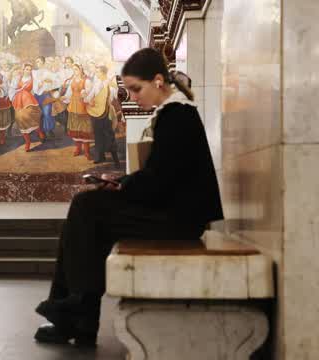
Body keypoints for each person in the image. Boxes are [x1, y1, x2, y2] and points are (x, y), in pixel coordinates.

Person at [33, 48, 224, 347]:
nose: (133, 97)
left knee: (86, 209)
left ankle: (75, 314)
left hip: (180, 220)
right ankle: (77, 315)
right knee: (89, 213)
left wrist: (123, 186)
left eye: (136, 89)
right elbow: (162, 176)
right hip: (177, 214)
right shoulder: (174, 113)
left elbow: (162, 180)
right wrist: (122, 183)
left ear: (158, 81)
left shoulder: (177, 115)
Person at [84, 65, 121, 167]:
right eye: (96, 72)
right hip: (96, 112)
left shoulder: (111, 85)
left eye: (98, 72)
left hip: (108, 113)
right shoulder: (96, 84)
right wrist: (87, 99)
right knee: (98, 135)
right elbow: (89, 97)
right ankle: (100, 157)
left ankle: (116, 160)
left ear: (104, 73)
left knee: (109, 135)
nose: (96, 74)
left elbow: (117, 96)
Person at [9, 63, 46, 152]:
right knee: (20, 119)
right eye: (27, 69)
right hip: (19, 100)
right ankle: (27, 142)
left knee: (30, 118)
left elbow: (37, 90)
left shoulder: (34, 79)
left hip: (29, 100)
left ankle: (39, 132)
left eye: (30, 69)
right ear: (23, 69)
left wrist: (40, 86)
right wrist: (12, 97)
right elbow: (12, 88)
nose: (28, 71)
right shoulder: (18, 78)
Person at [63, 64, 94, 160]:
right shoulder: (72, 81)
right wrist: (63, 98)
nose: (75, 71)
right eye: (73, 70)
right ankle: (78, 148)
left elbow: (90, 94)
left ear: (81, 70)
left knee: (85, 129)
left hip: (83, 107)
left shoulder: (87, 81)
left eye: (76, 69)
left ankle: (87, 151)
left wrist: (85, 94)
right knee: (75, 128)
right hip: (73, 107)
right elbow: (69, 94)